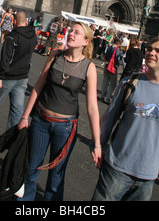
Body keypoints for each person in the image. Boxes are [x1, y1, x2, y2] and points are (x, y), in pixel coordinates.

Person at [92, 37, 159, 202]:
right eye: (150, 49)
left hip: (147, 177)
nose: (151, 52)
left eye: (158, 51)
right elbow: (109, 119)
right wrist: (97, 146)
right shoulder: (129, 83)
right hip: (116, 169)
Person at [17, 22, 102, 201]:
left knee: (56, 177)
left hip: (65, 128)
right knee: (31, 169)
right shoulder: (55, 56)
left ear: (85, 41)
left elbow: (93, 107)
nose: (71, 34)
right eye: (71, 30)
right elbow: (38, 85)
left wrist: (97, 143)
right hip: (40, 121)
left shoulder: (89, 67)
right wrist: (25, 116)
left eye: (76, 33)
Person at [0, 11, 37, 132]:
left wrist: (0, 77)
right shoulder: (33, 36)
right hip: (23, 77)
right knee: (17, 108)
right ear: (26, 21)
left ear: (14, 21)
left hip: (8, 77)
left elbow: (5, 59)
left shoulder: (11, 37)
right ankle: (12, 134)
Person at [101, 38, 122, 103]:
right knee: (113, 83)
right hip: (112, 66)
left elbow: (106, 55)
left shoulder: (109, 47)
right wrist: (118, 63)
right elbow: (117, 58)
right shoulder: (117, 49)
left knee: (105, 81)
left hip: (107, 65)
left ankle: (102, 95)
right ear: (118, 43)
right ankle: (108, 97)